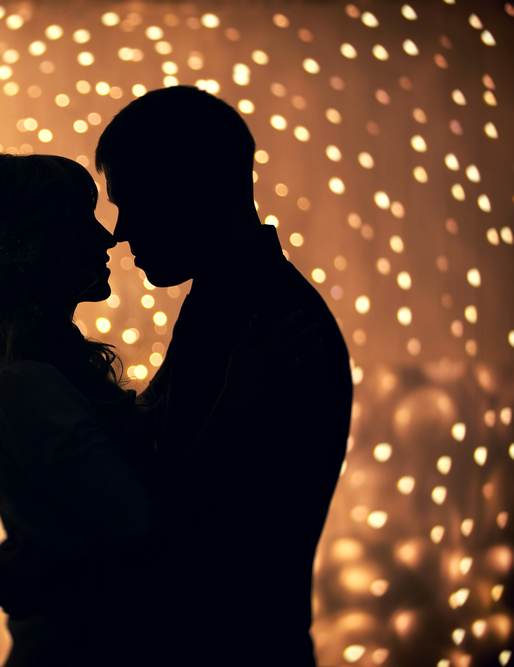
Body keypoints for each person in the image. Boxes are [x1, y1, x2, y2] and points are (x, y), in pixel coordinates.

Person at [0, 150, 327, 665]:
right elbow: (146, 529)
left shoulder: (35, 363)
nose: (108, 237)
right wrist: (238, 401)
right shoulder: (26, 383)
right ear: (43, 248)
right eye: (83, 221)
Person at [96, 86, 352, 662]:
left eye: (133, 200)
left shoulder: (261, 321)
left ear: (195, 187)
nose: (120, 231)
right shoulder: (232, 301)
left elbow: (190, 526)